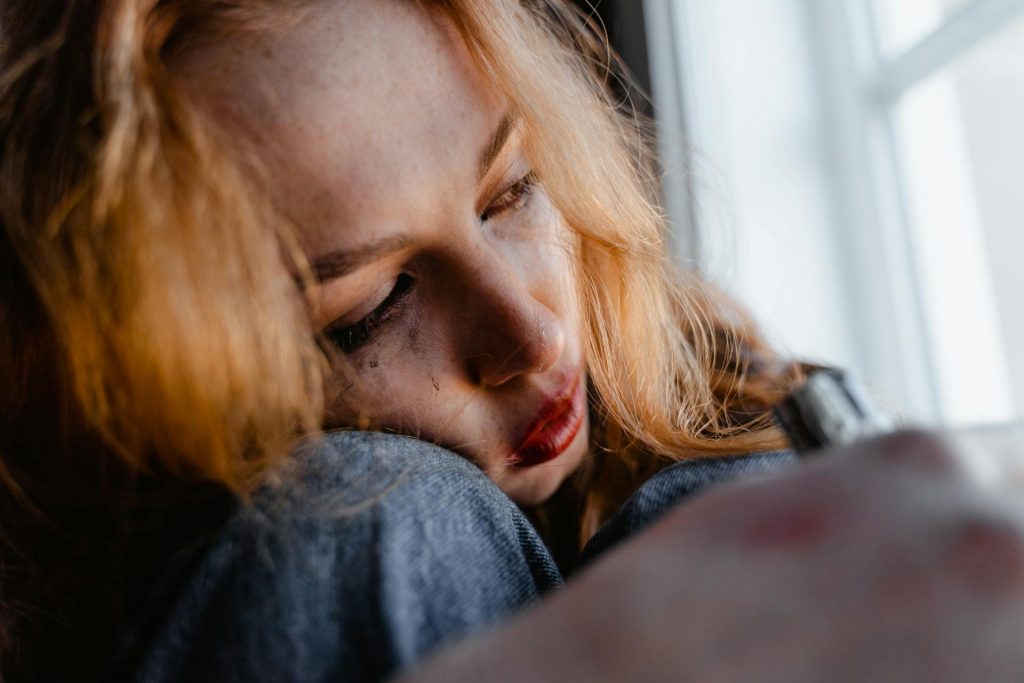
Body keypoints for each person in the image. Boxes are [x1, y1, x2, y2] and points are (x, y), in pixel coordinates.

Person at [2, 0, 1024, 681]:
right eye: (369, 309)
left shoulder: (727, 396)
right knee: (373, 514)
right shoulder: (367, 537)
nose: (531, 333)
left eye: (514, 189)